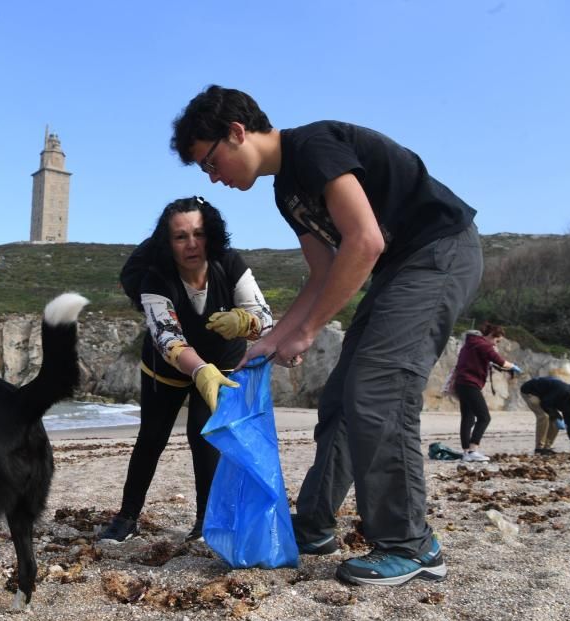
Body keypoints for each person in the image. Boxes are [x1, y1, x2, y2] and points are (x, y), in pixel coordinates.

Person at [171, 85, 483, 586]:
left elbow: (364, 240)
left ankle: (411, 544)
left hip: (438, 253)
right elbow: (322, 274)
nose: (213, 177)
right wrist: (272, 339)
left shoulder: (312, 147)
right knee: (341, 397)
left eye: (210, 162)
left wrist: (310, 330)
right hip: (397, 269)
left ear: (236, 132)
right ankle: (314, 524)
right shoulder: (284, 190)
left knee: (378, 388)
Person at [98, 196, 275, 544]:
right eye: (180, 237)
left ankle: (204, 520)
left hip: (223, 363)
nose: (191, 244)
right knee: (151, 437)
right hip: (168, 369)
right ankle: (128, 516)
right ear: (167, 242)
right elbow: (168, 340)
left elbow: (266, 318)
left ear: (211, 234)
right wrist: (199, 370)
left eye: (198, 233)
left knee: (203, 435)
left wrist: (246, 321)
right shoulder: (155, 279)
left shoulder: (230, 263)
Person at [451, 323, 522, 462]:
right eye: (497, 341)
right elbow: (500, 361)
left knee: (468, 418)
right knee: (484, 417)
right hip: (470, 384)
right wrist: (513, 366)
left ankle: (466, 453)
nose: (496, 344)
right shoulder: (483, 345)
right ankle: (473, 450)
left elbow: (487, 362)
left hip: (461, 383)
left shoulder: (471, 343)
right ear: (490, 335)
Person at [519, 377, 570, 455]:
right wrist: (556, 417)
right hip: (530, 391)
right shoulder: (563, 391)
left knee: (556, 422)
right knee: (544, 416)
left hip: (545, 398)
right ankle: (539, 448)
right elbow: (545, 403)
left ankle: (547, 447)